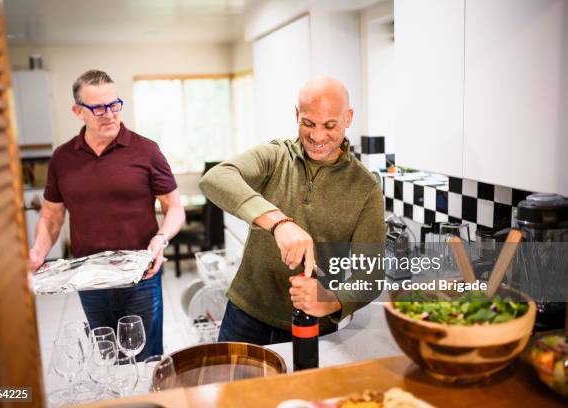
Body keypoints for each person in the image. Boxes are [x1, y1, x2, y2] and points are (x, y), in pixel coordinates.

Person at [199, 76, 385, 345]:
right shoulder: (276, 156)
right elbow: (216, 178)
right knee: (235, 388)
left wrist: (331, 301)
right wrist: (279, 223)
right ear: (297, 115)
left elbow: (371, 275)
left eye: (330, 125)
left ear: (349, 118)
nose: (317, 136)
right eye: (308, 123)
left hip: (313, 326)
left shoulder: (365, 187)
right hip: (245, 315)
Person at [29, 70, 185, 359]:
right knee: (109, 359)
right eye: (98, 108)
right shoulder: (63, 158)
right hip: (89, 279)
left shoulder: (146, 151)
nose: (110, 114)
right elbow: (52, 216)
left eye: (115, 105)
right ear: (78, 111)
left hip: (141, 275)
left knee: (145, 359)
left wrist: (161, 238)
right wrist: (38, 251)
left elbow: (174, 207)